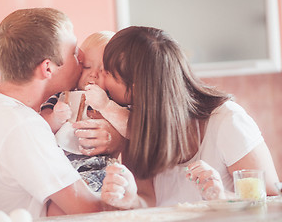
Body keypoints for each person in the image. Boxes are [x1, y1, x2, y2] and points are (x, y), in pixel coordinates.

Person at [91, 26, 280, 209]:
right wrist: (130, 200)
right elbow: (147, 200)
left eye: (107, 73)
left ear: (135, 88)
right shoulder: (136, 126)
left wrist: (223, 197)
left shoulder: (227, 121)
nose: (100, 80)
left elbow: (272, 200)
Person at [0, 8, 113, 218]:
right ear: (48, 68)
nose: (81, 60)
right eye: (74, 53)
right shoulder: (23, 126)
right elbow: (90, 210)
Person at [40, 31, 129, 192]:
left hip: (103, 172)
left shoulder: (114, 100)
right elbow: (41, 126)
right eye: (87, 66)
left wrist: (106, 106)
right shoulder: (63, 94)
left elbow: (132, 127)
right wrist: (55, 117)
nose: (93, 74)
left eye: (103, 70)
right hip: (64, 173)